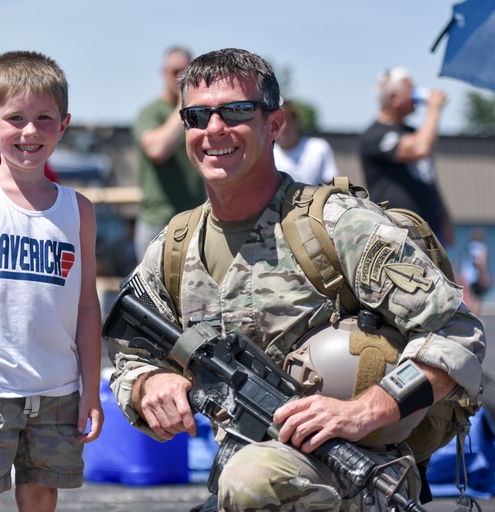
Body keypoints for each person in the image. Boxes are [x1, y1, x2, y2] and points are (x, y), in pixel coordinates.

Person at [108, 48, 485, 511]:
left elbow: (456, 331)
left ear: (275, 123)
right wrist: (150, 384)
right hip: (247, 474)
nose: (215, 129)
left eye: (238, 111)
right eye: (198, 115)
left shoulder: (337, 225)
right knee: (246, 479)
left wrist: (364, 410)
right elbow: (131, 351)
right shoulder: (177, 244)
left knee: (251, 480)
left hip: (357, 473)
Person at [0, 51, 103, 512]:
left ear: (64, 124)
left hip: (58, 390)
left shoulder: (79, 209)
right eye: (15, 118)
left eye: (44, 118)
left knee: (40, 497)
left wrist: (90, 389)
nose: (29, 131)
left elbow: (88, 306)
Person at [359, 67, 454, 246]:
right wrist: (434, 109)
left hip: (430, 234)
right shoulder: (375, 135)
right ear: (394, 98)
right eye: (410, 91)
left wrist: (445, 219)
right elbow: (420, 148)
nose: (415, 96)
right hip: (399, 237)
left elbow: (428, 180)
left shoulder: (413, 132)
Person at [132, 46, 206, 259]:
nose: (182, 78)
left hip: (195, 219)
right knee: (154, 292)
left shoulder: (201, 114)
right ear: (163, 73)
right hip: (159, 222)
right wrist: (185, 103)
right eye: (176, 72)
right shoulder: (151, 112)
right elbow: (157, 150)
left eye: (188, 72)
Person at [272, 100, 339, 184]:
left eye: (287, 119)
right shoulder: (269, 155)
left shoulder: (319, 148)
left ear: (296, 121)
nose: (284, 127)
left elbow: (331, 181)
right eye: (277, 120)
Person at [460, 228, 491, 313]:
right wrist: (484, 275)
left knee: (467, 297)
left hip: (465, 274)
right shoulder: (480, 246)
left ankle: (468, 317)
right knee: (477, 298)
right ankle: (475, 317)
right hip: (475, 276)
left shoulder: (469, 246)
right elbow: (480, 262)